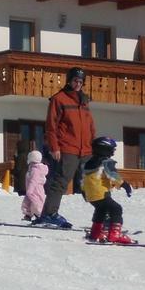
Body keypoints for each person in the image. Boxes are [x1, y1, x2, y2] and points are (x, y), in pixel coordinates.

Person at [32, 66, 95, 228]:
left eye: (81, 81)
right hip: (67, 148)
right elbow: (51, 125)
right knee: (60, 181)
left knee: (92, 181)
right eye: (75, 80)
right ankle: (50, 214)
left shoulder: (84, 101)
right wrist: (54, 147)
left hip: (86, 149)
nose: (78, 84)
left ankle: (103, 214)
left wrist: (93, 145)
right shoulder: (59, 99)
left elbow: (90, 125)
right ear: (69, 80)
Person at [81, 136, 133, 243]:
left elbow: (82, 180)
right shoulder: (106, 162)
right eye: (111, 150)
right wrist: (124, 184)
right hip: (101, 194)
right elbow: (113, 176)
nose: (112, 153)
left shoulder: (87, 163)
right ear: (105, 149)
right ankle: (115, 235)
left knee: (101, 211)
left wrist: (84, 192)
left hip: (90, 196)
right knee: (116, 209)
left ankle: (96, 234)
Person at [20, 150, 47, 221]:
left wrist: (30, 190)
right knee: (28, 203)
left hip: (35, 190)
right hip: (31, 190)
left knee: (36, 203)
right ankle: (28, 215)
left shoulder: (36, 170)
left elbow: (33, 181)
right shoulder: (32, 168)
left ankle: (39, 215)